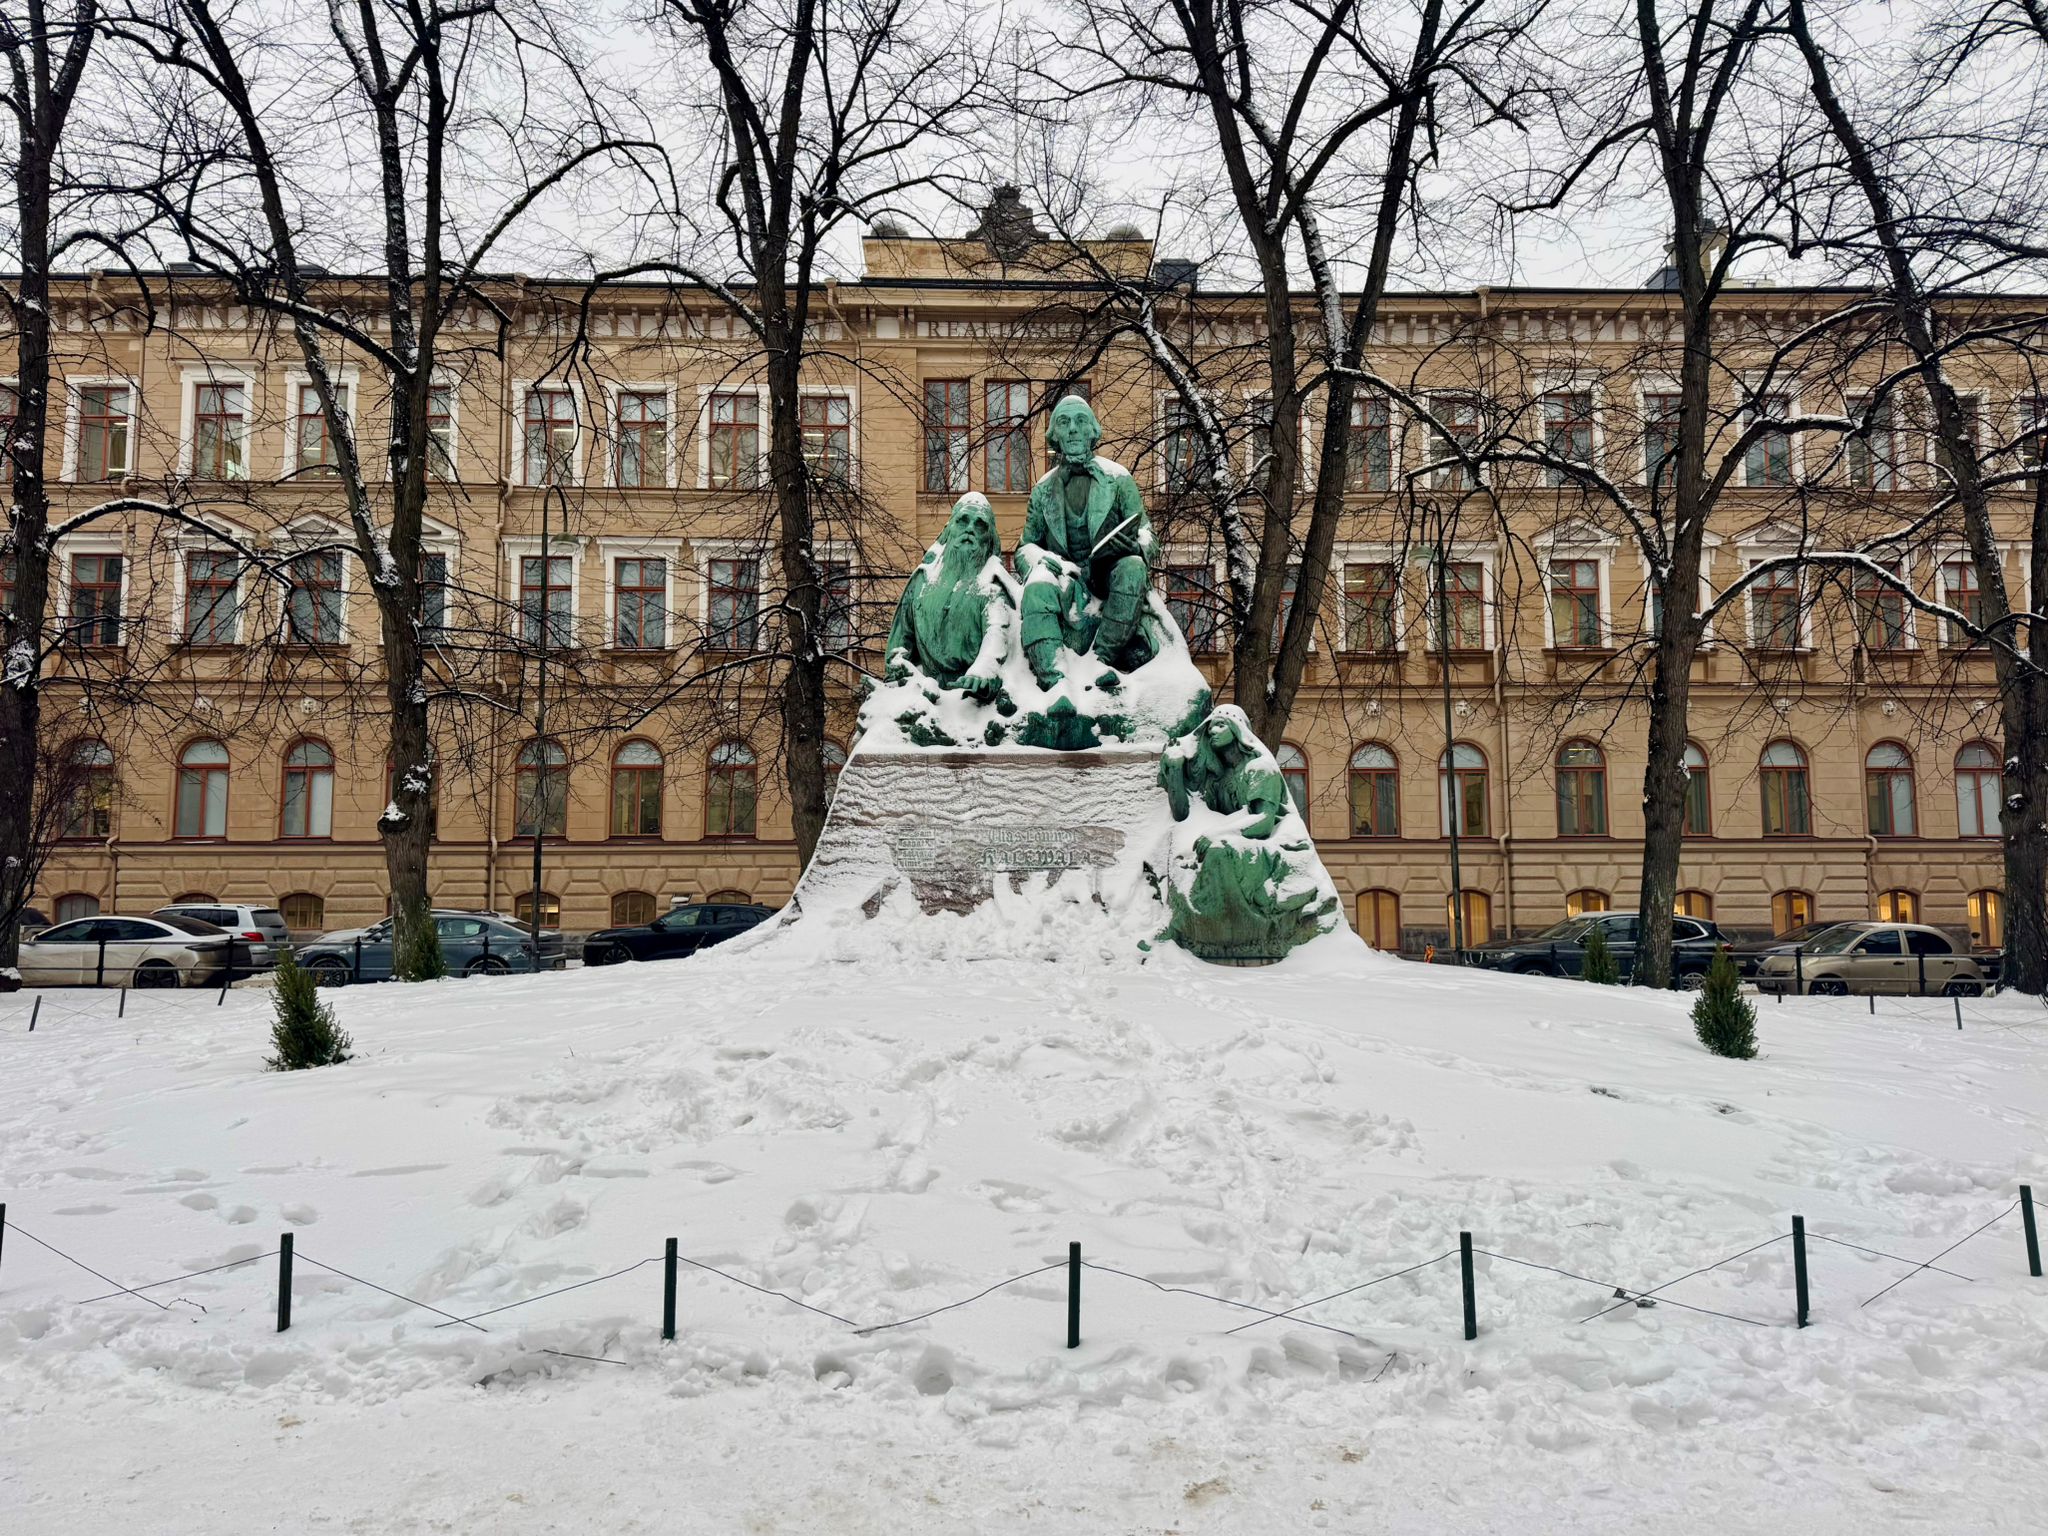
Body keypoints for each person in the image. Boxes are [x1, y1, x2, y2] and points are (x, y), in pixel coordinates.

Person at [1015, 395, 1156, 688]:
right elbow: (1025, 547)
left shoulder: (1118, 479)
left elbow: (1147, 533)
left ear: (1093, 431)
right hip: (1068, 581)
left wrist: (1135, 547)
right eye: (1064, 423)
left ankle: (1100, 660)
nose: (1073, 430)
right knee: (1038, 585)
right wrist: (1040, 560)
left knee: (1132, 568)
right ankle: (1055, 680)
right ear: (1055, 436)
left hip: (1107, 577)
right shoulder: (1043, 490)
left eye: (1080, 422)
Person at [883, 493, 1012, 702]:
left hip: (970, 700)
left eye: (980, 525)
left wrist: (983, 670)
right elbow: (900, 643)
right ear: (949, 528)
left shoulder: (992, 586)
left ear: (989, 539)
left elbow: (997, 631)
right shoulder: (921, 581)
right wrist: (899, 667)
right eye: (963, 521)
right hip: (925, 692)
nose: (970, 528)